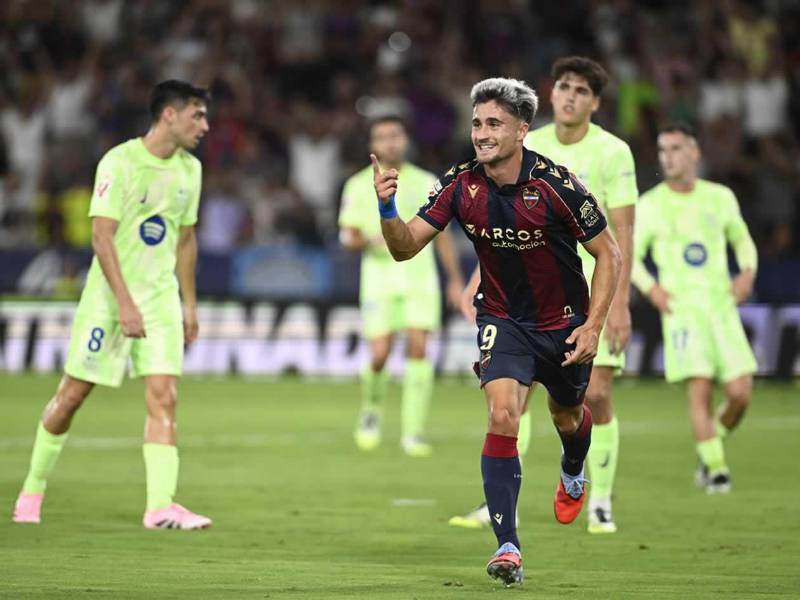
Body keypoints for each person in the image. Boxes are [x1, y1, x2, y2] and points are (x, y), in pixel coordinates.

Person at [371, 78, 621, 585]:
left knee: (568, 415)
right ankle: (508, 546)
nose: (481, 134)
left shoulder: (558, 185)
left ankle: (574, 467)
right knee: (503, 415)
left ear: (522, 131)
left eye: (494, 124)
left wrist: (594, 325)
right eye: (477, 123)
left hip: (564, 324)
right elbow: (404, 247)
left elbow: (608, 253)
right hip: (502, 320)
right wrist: (386, 207)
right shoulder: (459, 184)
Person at [12, 80, 212, 529]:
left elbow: (185, 239)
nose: (205, 125)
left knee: (165, 397)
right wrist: (124, 304)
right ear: (169, 115)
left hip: (159, 300)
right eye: (197, 115)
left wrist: (189, 304)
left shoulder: (191, 171)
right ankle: (32, 489)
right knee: (71, 397)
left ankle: (160, 506)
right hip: (108, 300)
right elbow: (102, 238)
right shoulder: (120, 162)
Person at [449, 56, 637, 534]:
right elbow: (492, 225)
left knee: (583, 402)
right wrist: (478, 282)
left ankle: (595, 493)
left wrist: (616, 307)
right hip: (511, 308)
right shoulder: (518, 141)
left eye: (580, 90)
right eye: (563, 87)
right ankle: (502, 517)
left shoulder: (613, 153)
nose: (569, 96)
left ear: (595, 102)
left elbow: (621, 235)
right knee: (507, 406)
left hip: (578, 299)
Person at [632, 122, 757, 494]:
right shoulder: (651, 204)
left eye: (675, 149)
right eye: (662, 150)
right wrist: (651, 289)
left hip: (722, 306)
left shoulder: (720, 197)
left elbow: (742, 240)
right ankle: (717, 470)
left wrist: (747, 273)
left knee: (740, 393)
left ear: (694, 153)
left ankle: (708, 449)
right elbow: (632, 257)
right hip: (681, 312)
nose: (668, 157)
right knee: (699, 391)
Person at [338, 115, 463, 457]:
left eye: (395, 135)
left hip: (420, 279)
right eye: (382, 137)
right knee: (379, 355)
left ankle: (413, 432)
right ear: (372, 146)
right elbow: (346, 235)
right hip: (379, 279)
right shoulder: (357, 184)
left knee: (419, 349)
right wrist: (366, 240)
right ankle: (371, 410)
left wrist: (454, 280)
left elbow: (442, 236)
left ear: (405, 139)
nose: (390, 142)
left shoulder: (426, 181)